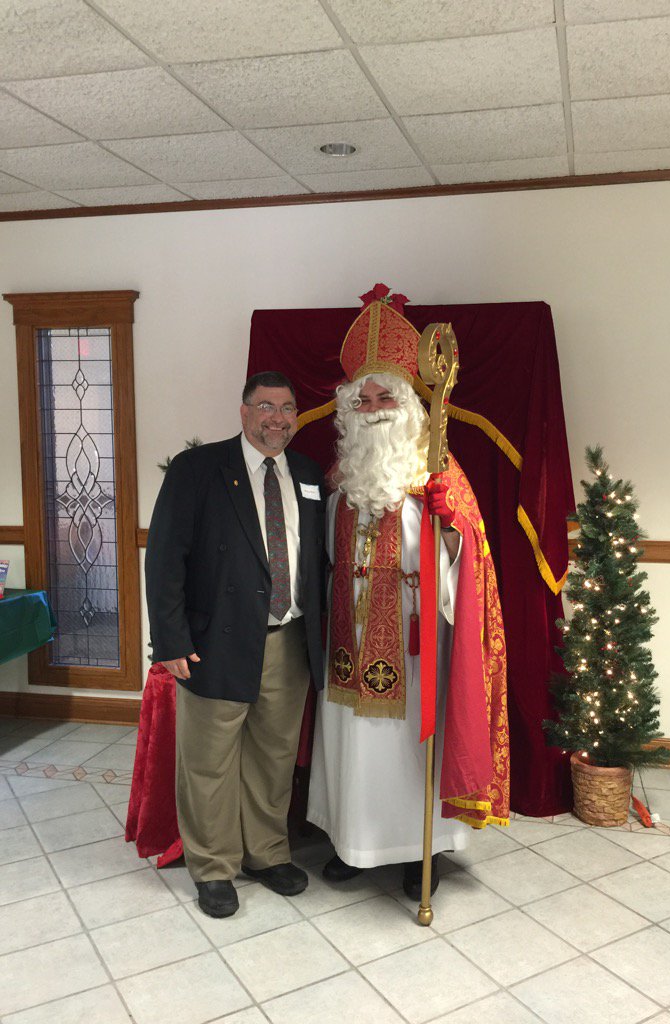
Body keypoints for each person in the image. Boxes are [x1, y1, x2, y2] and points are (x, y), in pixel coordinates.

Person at [307, 286, 510, 900]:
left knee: (404, 753)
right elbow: (322, 556)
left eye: (384, 396)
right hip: (350, 632)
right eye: (361, 399)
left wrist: (454, 533)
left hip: (417, 640)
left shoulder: (439, 474)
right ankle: (351, 841)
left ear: (409, 405)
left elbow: (472, 567)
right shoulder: (339, 478)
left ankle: (413, 847)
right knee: (349, 745)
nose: (372, 409)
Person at [145, 371, 326, 918]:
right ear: (244, 412)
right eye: (266, 406)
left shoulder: (310, 474)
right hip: (212, 641)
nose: (278, 418)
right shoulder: (198, 469)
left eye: (287, 407)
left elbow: (317, 561)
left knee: (273, 757)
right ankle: (214, 866)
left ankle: (266, 854)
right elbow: (164, 558)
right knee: (209, 761)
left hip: (289, 640)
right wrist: (170, 640)